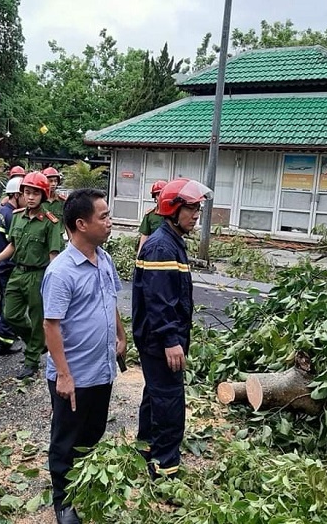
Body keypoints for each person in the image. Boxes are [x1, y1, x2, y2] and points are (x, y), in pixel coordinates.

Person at [42, 188, 127, 524]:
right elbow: (51, 326)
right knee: (66, 440)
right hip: (73, 375)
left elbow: (111, 299)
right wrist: (63, 374)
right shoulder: (61, 272)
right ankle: (64, 503)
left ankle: (85, 485)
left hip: (101, 370)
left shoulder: (103, 258)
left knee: (92, 434)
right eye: (103, 216)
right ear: (81, 223)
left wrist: (121, 334)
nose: (110, 222)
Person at [132, 178, 211, 479]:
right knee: (169, 402)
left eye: (197, 210)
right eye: (190, 208)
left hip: (160, 338)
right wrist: (170, 339)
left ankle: (146, 447)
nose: (195, 215)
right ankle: (166, 469)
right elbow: (159, 300)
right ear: (172, 209)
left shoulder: (170, 242)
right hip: (159, 339)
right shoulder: (162, 247)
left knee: (155, 395)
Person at [0, 172, 62, 379]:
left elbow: (54, 255)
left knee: (37, 320)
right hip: (17, 273)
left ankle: (31, 360)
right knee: (10, 314)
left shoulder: (51, 222)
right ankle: (37, 342)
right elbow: (12, 245)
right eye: (27, 192)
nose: (31, 197)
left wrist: (54, 282)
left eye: (36, 193)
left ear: (43, 195)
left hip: (38, 275)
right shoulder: (17, 216)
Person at [0, 176, 24, 356]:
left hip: (0, 265)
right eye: (25, 194)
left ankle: (9, 334)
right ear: (17, 195)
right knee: (11, 305)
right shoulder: (12, 216)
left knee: (5, 302)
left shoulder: (1, 212)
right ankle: (4, 342)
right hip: (8, 266)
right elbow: (15, 245)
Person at [138, 180, 167, 254]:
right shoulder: (150, 215)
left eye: (162, 194)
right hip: (153, 251)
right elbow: (145, 236)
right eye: (158, 195)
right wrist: (140, 254)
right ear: (155, 197)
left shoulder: (173, 215)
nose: (160, 197)